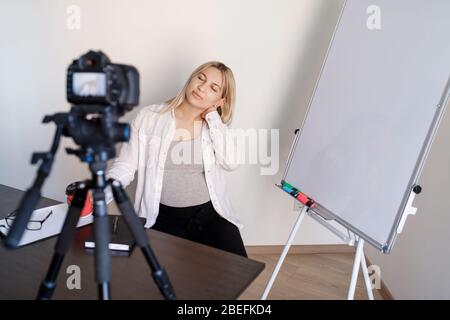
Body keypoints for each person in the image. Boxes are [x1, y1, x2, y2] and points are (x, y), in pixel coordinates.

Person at [105, 61, 247, 257]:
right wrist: (99, 195)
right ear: (192, 78)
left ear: (220, 101)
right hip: (160, 218)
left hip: (208, 216)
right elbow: (125, 166)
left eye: (213, 88)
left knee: (236, 269)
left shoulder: (214, 128)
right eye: (201, 78)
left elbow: (231, 163)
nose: (202, 88)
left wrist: (213, 117)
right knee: (161, 280)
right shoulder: (149, 117)